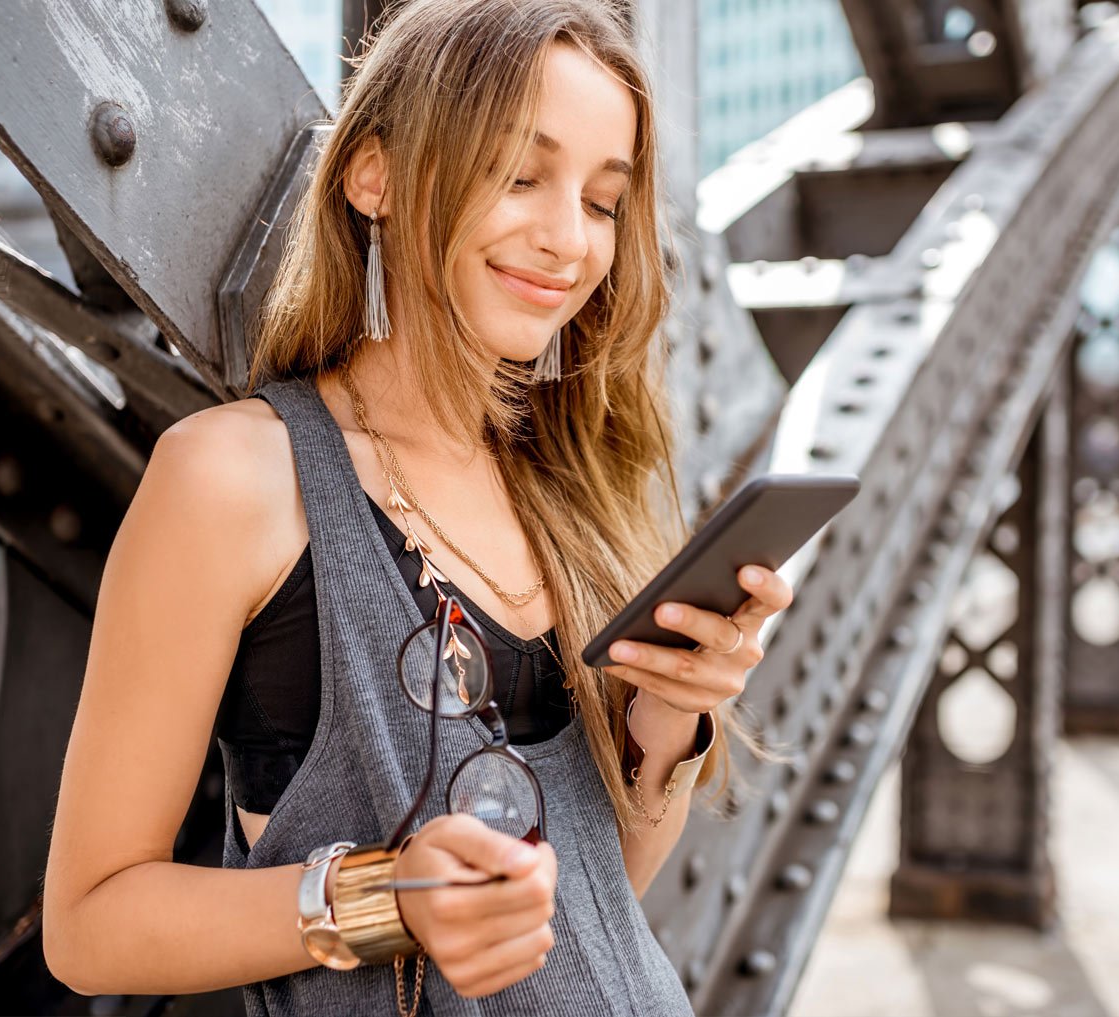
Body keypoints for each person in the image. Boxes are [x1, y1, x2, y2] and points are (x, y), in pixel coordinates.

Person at [41, 1, 793, 1014]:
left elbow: (598, 904)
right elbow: (89, 926)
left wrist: (666, 723)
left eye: (604, 201)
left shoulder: (568, 484)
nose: (569, 240)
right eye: (520, 175)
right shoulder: (233, 479)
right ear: (375, 175)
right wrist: (387, 899)